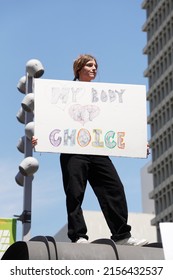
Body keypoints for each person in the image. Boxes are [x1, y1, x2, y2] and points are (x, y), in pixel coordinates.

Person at [59, 54, 148, 245]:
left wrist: (138, 142)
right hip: (73, 150)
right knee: (75, 192)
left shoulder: (105, 96)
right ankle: (78, 236)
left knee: (114, 188)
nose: (94, 68)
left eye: (95, 66)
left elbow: (117, 122)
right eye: (89, 65)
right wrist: (40, 137)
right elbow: (51, 120)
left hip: (97, 149)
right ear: (78, 69)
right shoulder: (63, 93)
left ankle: (122, 235)